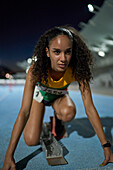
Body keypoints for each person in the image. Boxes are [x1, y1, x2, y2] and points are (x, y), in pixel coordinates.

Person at [2, 25, 113, 170]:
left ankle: (58, 120)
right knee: (30, 140)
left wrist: (106, 146)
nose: (63, 59)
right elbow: (24, 111)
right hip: (41, 98)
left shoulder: (78, 70)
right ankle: (44, 123)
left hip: (59, 98)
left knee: (68, 113)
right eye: (57, 52)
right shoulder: (36, 70)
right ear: (47, 52)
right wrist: (9, 155)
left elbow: (89, 108)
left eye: (68, 52)